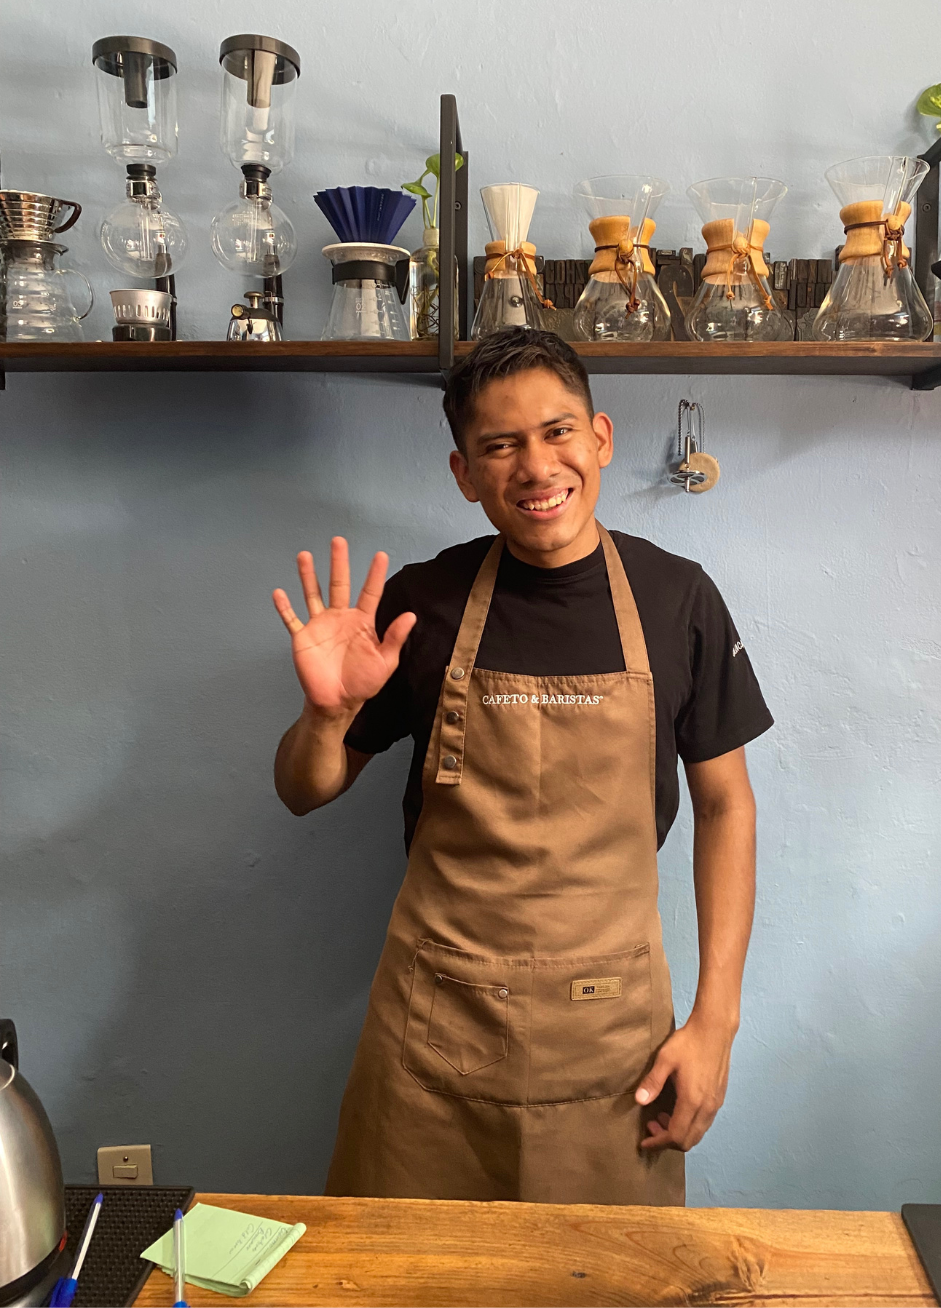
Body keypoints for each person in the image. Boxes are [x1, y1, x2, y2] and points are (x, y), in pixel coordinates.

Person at [272, 328, 773, 1206]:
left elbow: (727, 808)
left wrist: (716, 1022)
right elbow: (304, 791)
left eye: (558, 432)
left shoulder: (677, 597)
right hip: (435, 1032)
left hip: (614, 1038)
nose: (537, 467)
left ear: (601, 438)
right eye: (499, 446)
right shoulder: (419, 604)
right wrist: (328, 714)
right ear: (465, 474)